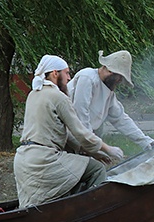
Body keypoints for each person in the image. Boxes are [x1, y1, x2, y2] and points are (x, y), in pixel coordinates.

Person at [14, 54, 125, 208]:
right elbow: (80, 132)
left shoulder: (33, 94)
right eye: (66, 73)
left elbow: (62, 136)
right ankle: (93, 212)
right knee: (97, 169)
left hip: (23, 160)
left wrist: (93, 152)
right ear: (55, 73)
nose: (69, 77)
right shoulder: (58, 97)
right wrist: (108, 149)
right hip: (45, 161)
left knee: (75, 177)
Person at [67, 50, 154, 151]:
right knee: (97, 165)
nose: (119, 81)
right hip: (67, 136)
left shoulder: (108, 92)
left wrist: (145, 141)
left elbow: (120, 119)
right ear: (110, 71)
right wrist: (98, 147)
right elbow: (81, 115)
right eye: (119, 78)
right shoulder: (87, 78)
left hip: (84, 137)